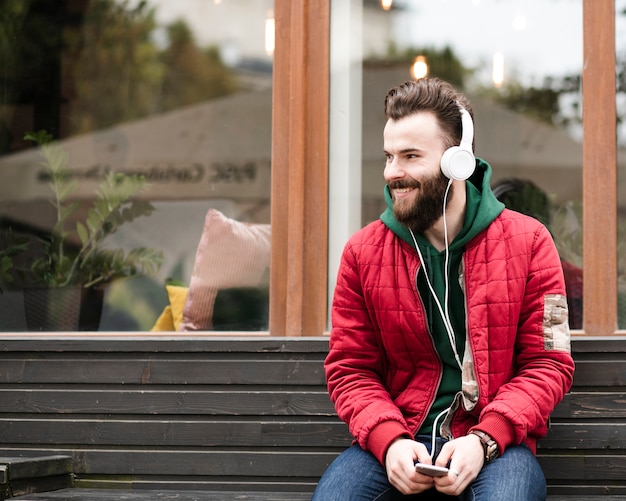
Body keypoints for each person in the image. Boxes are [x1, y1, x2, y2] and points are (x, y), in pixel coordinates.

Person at [311, 78, 575, 501]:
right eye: (389, 156)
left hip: (494, 446)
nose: (392, 172)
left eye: (411, 156)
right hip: (400, 438)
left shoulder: (530, 242)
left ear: (458, 162)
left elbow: (549, 364)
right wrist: (389, 439)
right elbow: (350, 368)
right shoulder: (363, 252)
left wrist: (486, 438)